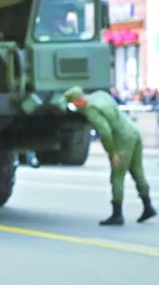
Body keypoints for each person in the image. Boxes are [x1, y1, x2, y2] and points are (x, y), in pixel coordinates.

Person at [64, 86, 156, 225]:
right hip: (132, 131)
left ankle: (117, 214)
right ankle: (148, 206)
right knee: (138, 172)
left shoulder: (91, 109)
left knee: (117, 176)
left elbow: (105, 132)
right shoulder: (99, 95)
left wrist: (112, 153)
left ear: (77, 101)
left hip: (122, 139)